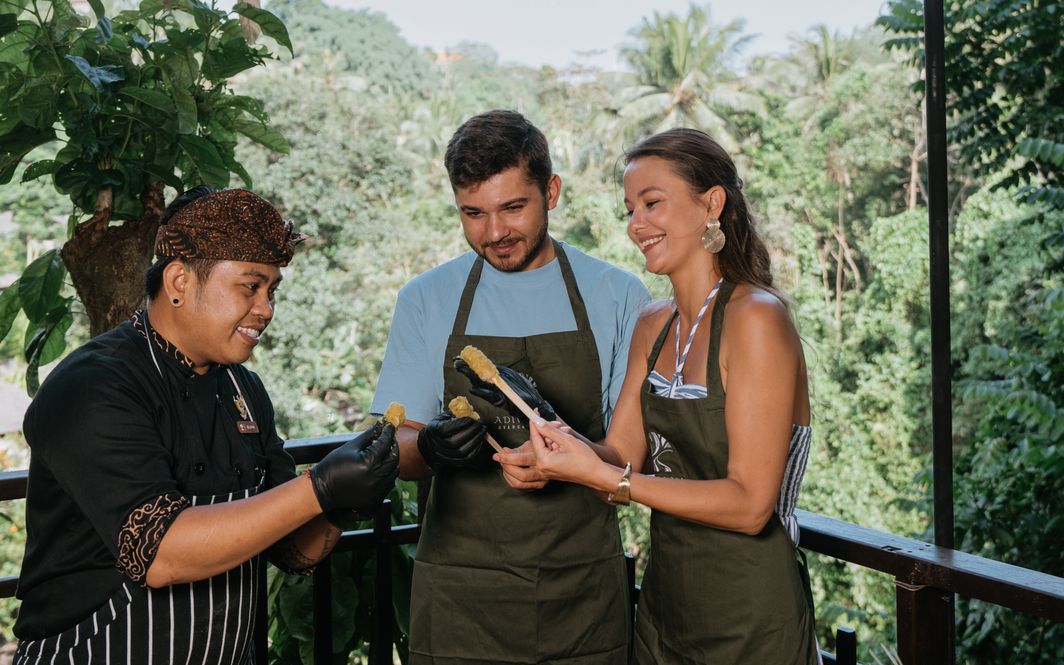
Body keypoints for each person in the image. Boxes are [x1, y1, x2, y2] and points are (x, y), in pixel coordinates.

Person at [13, 187, 399, 664]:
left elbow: (293, 553)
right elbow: (159, 552)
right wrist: (318, 487)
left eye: (272, 290)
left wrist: (345, 502)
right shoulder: (94, 385)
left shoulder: (243, 389)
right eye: (249, 286)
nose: (266, 309)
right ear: (178, 280)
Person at [498, 128, 820, 664]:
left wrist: (610, 479)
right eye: (630, 209)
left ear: (711, 203)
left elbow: (751, 504)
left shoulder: (757, 318)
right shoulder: (654, 324)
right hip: (665, 610)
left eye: (652, 204)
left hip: (752, 617)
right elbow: (620, 456)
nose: (635, 225)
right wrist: (559, 454)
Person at [370, 109, 651, 664]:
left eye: (513, 208)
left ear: (552, 191)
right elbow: (393, 448)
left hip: (581, 595)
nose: (494, 233)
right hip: (459, 597)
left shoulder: (618, 295)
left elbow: (626, 464)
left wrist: (567, 455)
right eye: (472, 214)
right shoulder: (426, 298)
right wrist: (428, 449)